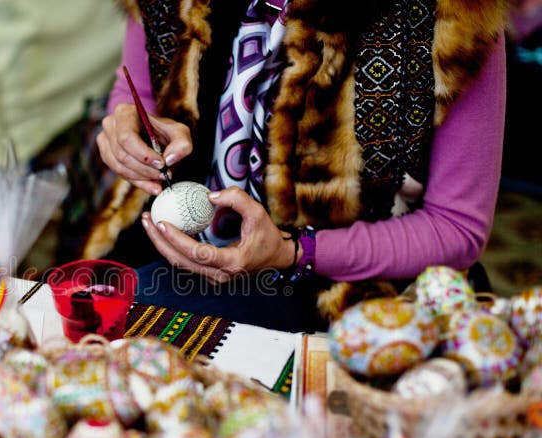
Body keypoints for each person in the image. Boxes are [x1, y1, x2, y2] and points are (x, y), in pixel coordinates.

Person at [86, 0, 508, 333]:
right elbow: (136, 87)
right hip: (170, 247)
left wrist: (295, 252)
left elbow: (457, 226)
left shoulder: (454, 17)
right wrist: (128, 127)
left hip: (346, 287)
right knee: (84, 325)